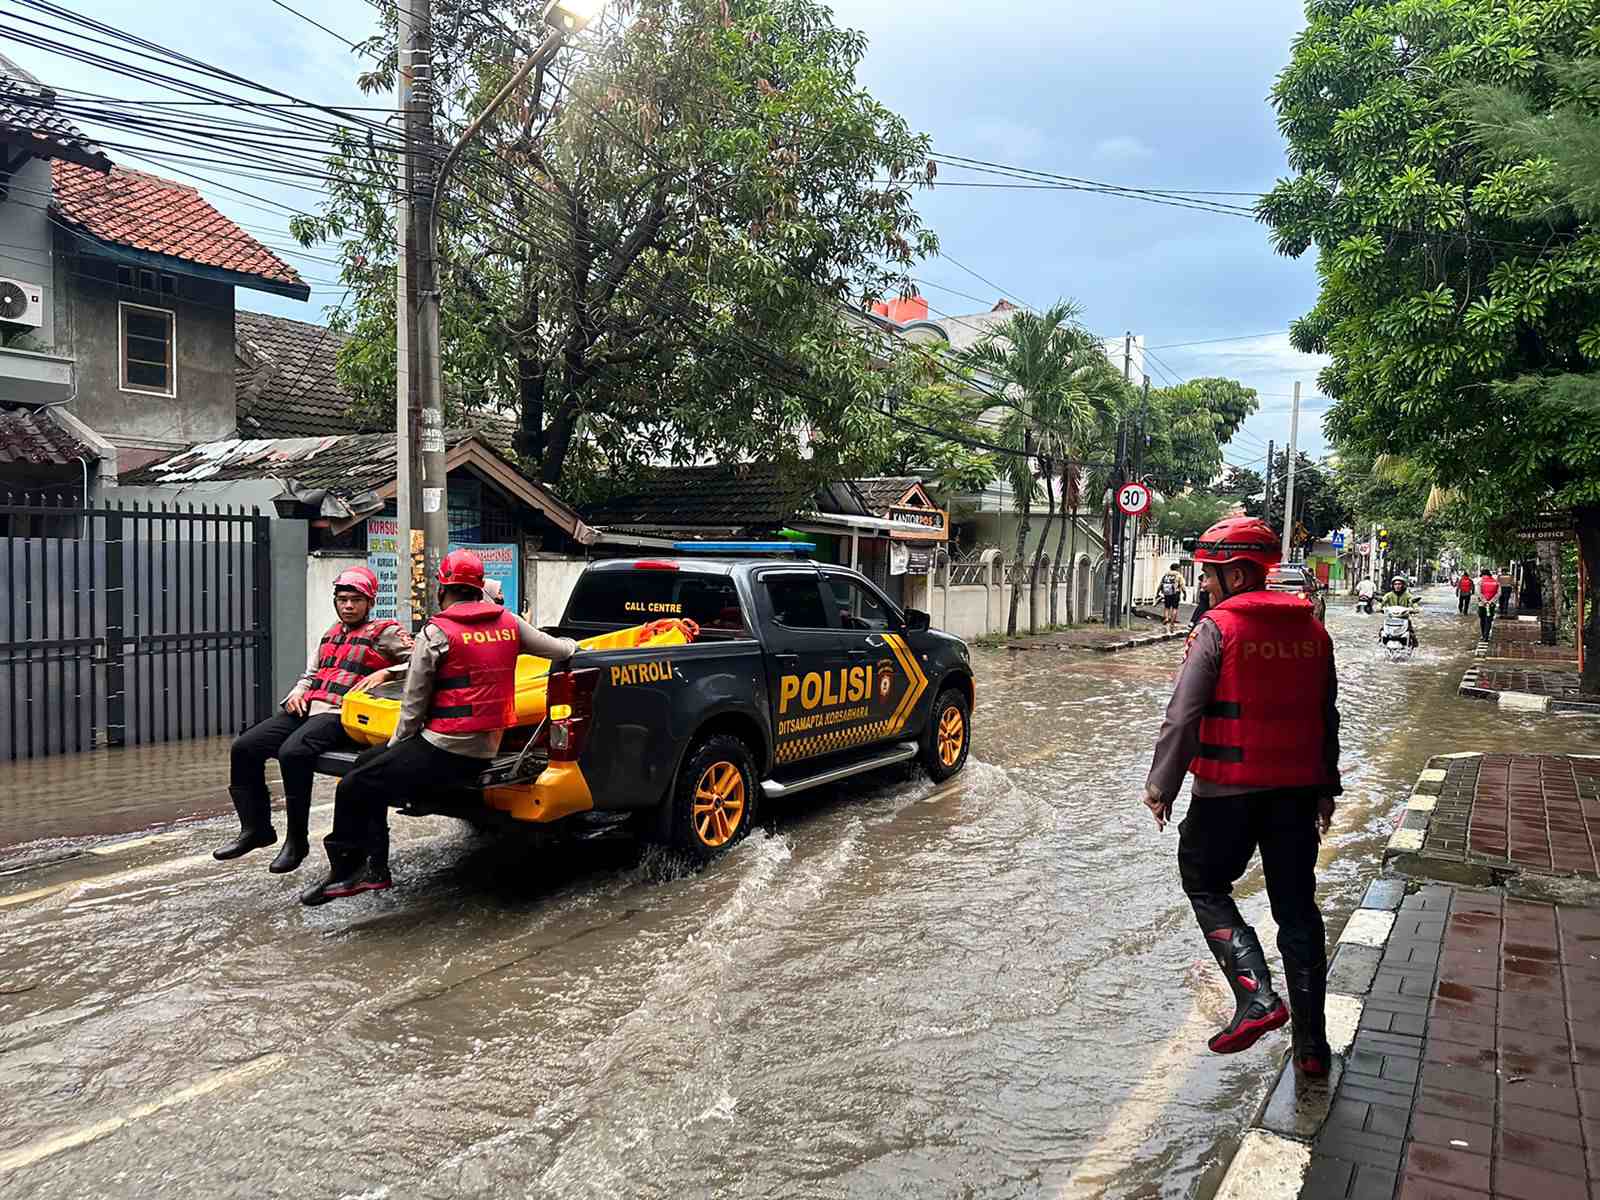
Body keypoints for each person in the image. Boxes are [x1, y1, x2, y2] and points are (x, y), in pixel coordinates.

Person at [1142, 516, 1340, 1077]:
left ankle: (1255, 995)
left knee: (1204, 881)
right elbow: (1327, 715)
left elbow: (1183, 715)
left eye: (1208, 574)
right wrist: (1328, 787)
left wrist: (1161, 785)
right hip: (1297, 795)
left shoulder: (1216, 629)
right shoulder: (1313, 630)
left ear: (1233, 574)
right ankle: (1311, 1050)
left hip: (1225, 793)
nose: (1203, 584)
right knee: (1298, 912)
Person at [300, 549, 579, 904]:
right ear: (479, 588)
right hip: (486, 746)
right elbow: (559, 649)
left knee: (355, 785)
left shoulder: (437, 632)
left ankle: (348, 872)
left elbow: (413, 706)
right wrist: (580, 646)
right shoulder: (509, 623)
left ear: (441, 588)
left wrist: (395, 747)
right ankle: (373, 869)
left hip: (446, 747)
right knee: (365, 764)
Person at [215, 566, 412, 873]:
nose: (348, 606)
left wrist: (387, 672)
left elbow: (420, 662)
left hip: (343, 715)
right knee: (245, 747)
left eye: (356, 600)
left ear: (370, 602)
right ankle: (256, 829)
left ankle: (296, 841)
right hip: (308, 708)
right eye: (343, 599)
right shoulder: (331, 633)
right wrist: (297, 692)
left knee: (292, 753)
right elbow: (311, 674)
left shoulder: (387, 632)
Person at [1380, 576, 1419, 648]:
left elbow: (1414, 604)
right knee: (1381, 631)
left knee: (1412, 635)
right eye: (1395, 584)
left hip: (1404, 619)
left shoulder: (1408, 595)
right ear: (1392, 585)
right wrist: (1379, 608)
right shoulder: (1388, 595)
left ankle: (1412, 647)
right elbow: (1382, 602)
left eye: (1399, 584)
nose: (1397, 586)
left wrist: (1414, 609)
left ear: (1403, 585)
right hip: (1390, 619)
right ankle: (1381, 644)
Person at [1159, 563, 1187, 629]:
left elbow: (1161, 584)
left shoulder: (1166, 574)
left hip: (1167, 593)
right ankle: (1172, 623)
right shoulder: (1178, 575)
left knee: (1167, 607)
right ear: (1177, 568)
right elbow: (1182, 585)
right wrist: (1185, 594)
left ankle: (1166, 618)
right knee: (1175, 608)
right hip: (1175, 593)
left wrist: (1157, 592)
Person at [1478, 568, 1501, 642]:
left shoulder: (1480, 582)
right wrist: (1491, 601)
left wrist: (1484, 601)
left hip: (1482, 604)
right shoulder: (1496, 582)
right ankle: (1486, 636)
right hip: (1491, 605)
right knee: (1489, 619)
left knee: (1482, 619)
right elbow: (1499, 593)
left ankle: (1483, 635)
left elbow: (1479, 593)